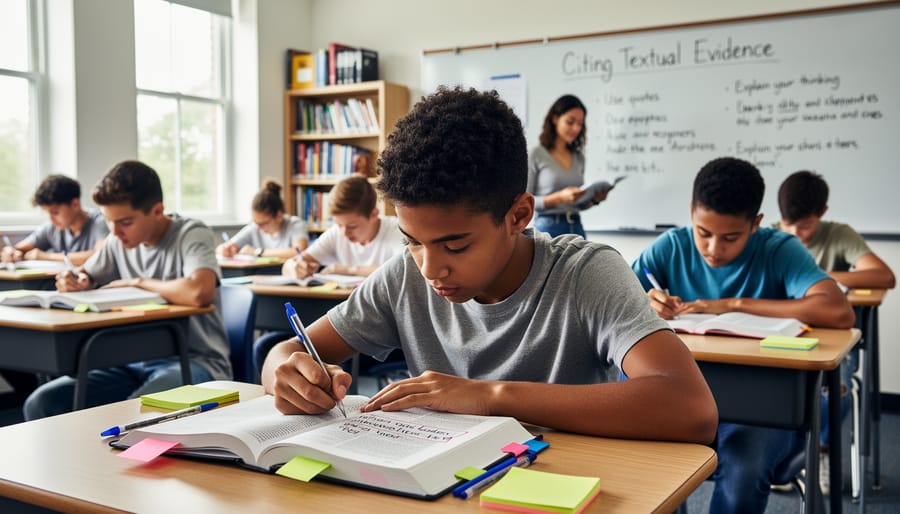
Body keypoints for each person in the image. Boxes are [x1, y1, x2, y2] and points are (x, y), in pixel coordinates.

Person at [262, 86, 718, 445]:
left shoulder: (585, 273)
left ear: (518, 216)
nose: (430, 268)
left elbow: (691, 408)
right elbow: (285, 353)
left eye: (455, 245)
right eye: (413, 241)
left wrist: (488, 396)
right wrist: (288, 372)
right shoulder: (405, 275)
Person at [632, 157, 855, 513]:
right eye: (703, 233)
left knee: (742, 471)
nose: (713, 249)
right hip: (682, 402)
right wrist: (646, 300)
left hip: (764, 411)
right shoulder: (671, 246)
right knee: (639, 466)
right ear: (691, 212)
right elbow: (616, 304)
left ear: (756, 223)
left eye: (730, 238)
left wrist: (732, 304)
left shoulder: (779, 249)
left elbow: (837, 311)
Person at [23, 160, 231, 420]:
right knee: (42, 403)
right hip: (131, 362)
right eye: (109, 221)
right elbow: (86, 275)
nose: (116, 232)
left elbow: (199, 292)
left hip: (195, 362)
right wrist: (76, 281)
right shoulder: (116, 240)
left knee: (133, 414)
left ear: (157, 211)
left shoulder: (191, 233)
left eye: (125, 222)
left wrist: (139, 282)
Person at [777, 169, 895, 495]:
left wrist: (815, 277)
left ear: (822, 213)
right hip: (781, 335)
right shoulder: (771, 236)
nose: (796, 234)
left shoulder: (838, 234)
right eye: (788, 224)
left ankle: (820, 451)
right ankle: (785, 456)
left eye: (804, 226)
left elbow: (884, 276)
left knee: (836, 387)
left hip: (831, 338)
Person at [281, 174, 404, 279]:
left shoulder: (398, 230)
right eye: (339, 225)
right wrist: (294, 267)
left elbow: (400, 271)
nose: (344, 233)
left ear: (374, 214)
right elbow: (292, 264)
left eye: (352, 226)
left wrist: (349, 270)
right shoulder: (336, 233)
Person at [527, 94, 611, 238]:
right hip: (547, 229)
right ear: (555, 119)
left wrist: (593, 200)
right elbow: (526, 201)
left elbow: (576, 204)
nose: (576, 128)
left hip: (576, 228)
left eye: (580, 123)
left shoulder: (579, 157)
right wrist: (559, 197)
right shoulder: (536, 154)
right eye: (570, 122)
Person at [1, 174, 108, 266]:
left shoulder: (101, 222)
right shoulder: (52, 228)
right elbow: (19, 248)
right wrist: (11, 252)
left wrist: (47, 257)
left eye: (55, 212)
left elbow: (101, 256)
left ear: (75, 204)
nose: (51, 219)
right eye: (47, 213)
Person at [217, 180, 309, 259]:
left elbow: (299, 251)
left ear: (279, 216)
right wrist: (225, 249)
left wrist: (258, 252)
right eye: (256, 223)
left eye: (264, 224)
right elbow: (222, 248)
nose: (260, 229)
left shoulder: (295, 224)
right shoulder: (255, 228)